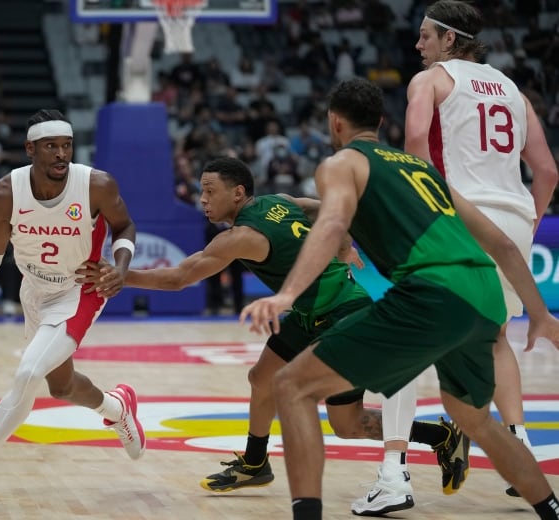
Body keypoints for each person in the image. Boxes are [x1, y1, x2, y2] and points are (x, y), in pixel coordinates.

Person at [240, 77, 559, 520]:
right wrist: (540, 313)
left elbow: (333, 225)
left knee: (291, 386)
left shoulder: (341, 163)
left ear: (335, 122)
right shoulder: (419, 167)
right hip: (483, 295)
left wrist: (288, 293)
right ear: (381, 121)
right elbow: (503, 245)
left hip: (432, 293)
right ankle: (552, 509)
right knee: (474, 419)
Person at [77, 155, 469, 514]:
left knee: (346, 425)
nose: (203, 200)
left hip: (343, 310)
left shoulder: (239, 237)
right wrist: (345, 238)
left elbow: (180, 277)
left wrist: (120, 276)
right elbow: (318, 207)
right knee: (261, 377)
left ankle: (439, 435)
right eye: (201, 191)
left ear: (239, 193)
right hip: (306, 312)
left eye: (210, 191)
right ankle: (255, 463)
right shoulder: (277, 201)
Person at [0, 109, 146, 513]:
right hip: (34, 291)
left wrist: (119, 269)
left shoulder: (95, 185)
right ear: (30, 149)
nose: (60, 155)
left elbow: (124, 227)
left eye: (66, 146)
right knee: (61, 386)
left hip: (80, 290)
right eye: (51, 146)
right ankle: (117, 407)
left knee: (28, 373)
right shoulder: (5, 192)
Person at [406, 0, 559, 497]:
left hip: (460, 215)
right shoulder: (515, 91)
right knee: (496, 339)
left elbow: (413, 150)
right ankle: (520, 449)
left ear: (450, 39)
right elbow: (549, 172)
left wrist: (419, 219)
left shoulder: (429, 82)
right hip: (513, 220)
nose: (418, 44)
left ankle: (398, 468)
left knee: (410, 331)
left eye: (426, 35)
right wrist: (527, 224)